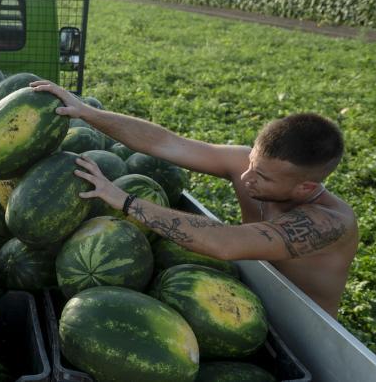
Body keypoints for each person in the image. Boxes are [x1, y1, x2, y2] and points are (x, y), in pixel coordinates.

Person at [32, 80, 358, 318]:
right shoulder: (251, 167)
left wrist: (125, 201)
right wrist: (86, 112)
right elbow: (167, 144)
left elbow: (225, 244)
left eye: (262, 177)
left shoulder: (328, 223)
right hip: (240, 299)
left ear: (304, 188)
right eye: (252, 164)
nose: (245, 178)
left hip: (303, 330)